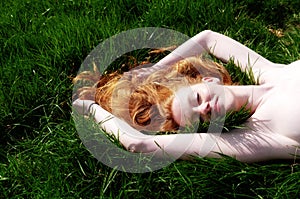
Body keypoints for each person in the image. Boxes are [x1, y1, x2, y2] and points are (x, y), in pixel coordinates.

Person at [73, 30, 300, 162]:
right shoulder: (258, 135)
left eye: (197, 99)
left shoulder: (271, 71)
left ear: (209, 80)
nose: (204, 110)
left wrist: (154, 70)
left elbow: (208, 39)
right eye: (199, 120)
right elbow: (139, 143)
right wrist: (93, 110)